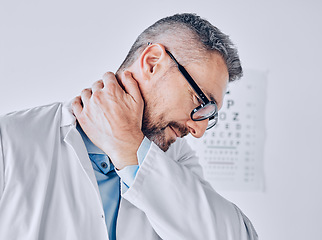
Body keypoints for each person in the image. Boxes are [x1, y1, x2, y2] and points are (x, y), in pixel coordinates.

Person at [0, 13, 258, 240]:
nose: (198, 131)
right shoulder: (9, 140)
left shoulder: (176, 158)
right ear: (153, 62)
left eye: (209, 117)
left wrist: (129, 149)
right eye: (201, 102)